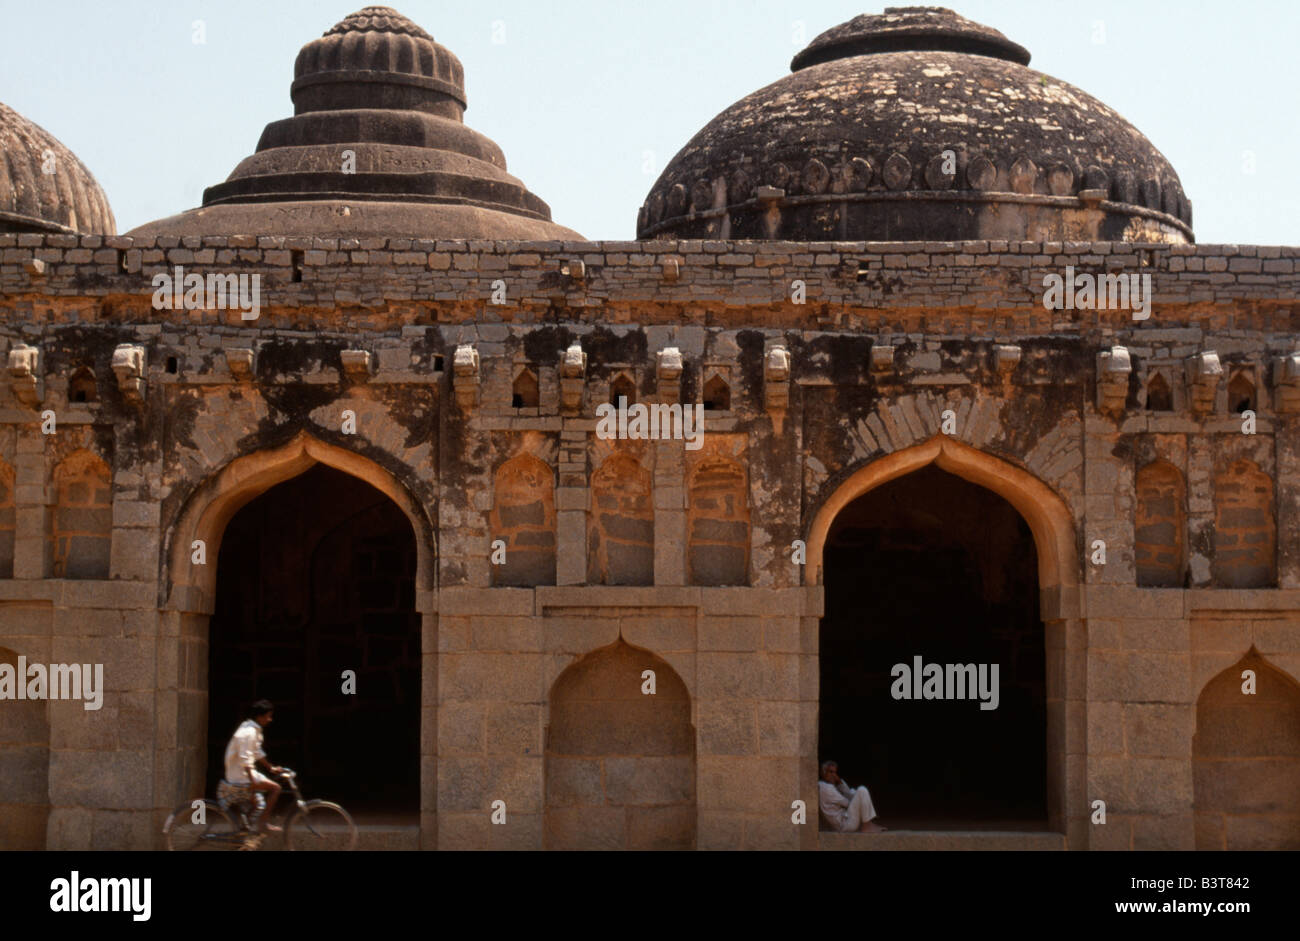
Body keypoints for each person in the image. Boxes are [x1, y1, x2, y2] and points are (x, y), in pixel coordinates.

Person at [222, 699, 285, 833]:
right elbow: (246, 758)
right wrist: (253, 780)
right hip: (240, 775)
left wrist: (270, 767)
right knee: (275, 788)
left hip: (240, 772)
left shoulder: (250, 728)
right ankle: (263, 823)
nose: (270, 719)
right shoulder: (249, 732)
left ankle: (244, 833)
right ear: (260, 716)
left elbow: (256, 752)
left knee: (258, 804)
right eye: (268, 716)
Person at [818, 760, 886, 833]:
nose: (834, 775)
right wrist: (862, 803)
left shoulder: (822, 785)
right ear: (823, 773)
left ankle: (869, 823)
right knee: (862, 790)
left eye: (835, 772)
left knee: (859, 794)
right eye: (830, 772)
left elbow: (850, 796)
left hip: (842, 823)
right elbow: (848, 802)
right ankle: (867, 825)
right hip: (844, 825)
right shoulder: (826, 789)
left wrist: (839, 782)